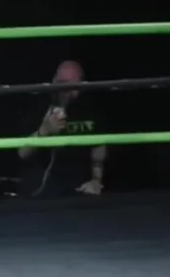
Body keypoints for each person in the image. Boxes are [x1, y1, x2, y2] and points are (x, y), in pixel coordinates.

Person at [17, 60, 106, 197]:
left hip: (79, 188)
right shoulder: (38, 105)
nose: (63, 89)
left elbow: (98, 146)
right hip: (40, 188)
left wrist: (96, 180)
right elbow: (22, 153)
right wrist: (44, 131)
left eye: (69, 84)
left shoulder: (90, 107)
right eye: (59, 82)